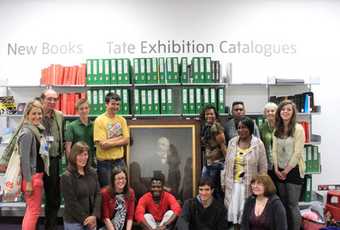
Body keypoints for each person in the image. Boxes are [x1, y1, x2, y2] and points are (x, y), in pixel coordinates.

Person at [221, 116, 267, 228]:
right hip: (233, 185)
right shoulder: (232, 142)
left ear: (251, 128)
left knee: (248, 215)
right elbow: (227, 164)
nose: (241, 130)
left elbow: (263, 167)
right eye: (239, 128)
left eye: (244, 127)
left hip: (250, 186)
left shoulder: (258, 144)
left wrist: (262, 186)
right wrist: (223, 182)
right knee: (235, 217)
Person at [272, 100, 305, 230]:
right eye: (283, 109)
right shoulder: (277, 129)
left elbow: (297, 153)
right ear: (279, 112)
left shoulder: (298, 129)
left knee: (292, 204)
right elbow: (273, 150)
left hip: (294, 170)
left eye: (289, 110)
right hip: (279, 170)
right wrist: (275, 168)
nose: (285, 112)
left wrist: (286, 171)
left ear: (293, 113)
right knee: (283, 203)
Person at [19, 100, 48, 229]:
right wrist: (29, 182)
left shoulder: (36, 130)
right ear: (27, 115)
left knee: (32, 210)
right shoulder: (27, 133)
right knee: (33, 212)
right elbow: (24, 160)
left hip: (37, 176)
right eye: (34, 114)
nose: (37, 116)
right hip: (32, 178)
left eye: (39, 113)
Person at [60, 141, 101, 230]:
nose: (83, 158)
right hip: (74, 222)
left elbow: (98, 195)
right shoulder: (66, 177)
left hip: (92, 219)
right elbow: (71, 203)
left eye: (85, 154)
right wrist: (87, 220)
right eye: (80, 155)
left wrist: (94, 215)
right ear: (74, 156)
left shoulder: (93, 172)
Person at [94, 92, 129, 187]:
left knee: (121, 189)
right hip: (104, 164)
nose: (115, 106)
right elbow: (103, 145)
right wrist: (119, 138)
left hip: (119, 161)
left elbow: (126, 140)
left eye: (118, 104)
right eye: (113, 104)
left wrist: (108, 141)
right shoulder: (99, 120)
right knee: (106, 191)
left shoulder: (122, 120)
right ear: (106, 104)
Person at [41, 88, 64, 230]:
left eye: (55, 99)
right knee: (35, 197)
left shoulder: (59, 115)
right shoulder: (36, 114)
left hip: (54, 160)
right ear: (43, 99)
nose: (52, 102)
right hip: (38, 161)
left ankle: (50, 227)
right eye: (49, 98)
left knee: (54, 197)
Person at [200, 105, 227, 200]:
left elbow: (223, 145)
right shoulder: (205, 127)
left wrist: (227, 161)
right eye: (207, 114)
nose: (209, 116)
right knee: (206, 189)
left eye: (211, 114)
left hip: (217, 163)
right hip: (208, 163)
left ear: (215, 115)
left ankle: (219, 212)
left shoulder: (216, 126)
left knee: (215, 190)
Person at [65, 98, 96, 167]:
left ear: (89, 109)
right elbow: (68, 148)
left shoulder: (94, 125)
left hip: (90, 162)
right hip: (76, 162)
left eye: (86, 108)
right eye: (81, 109)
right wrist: (71, 163)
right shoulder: (71, 126)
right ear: (77, 111)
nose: (84, 111)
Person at [259, 102, 278, 181]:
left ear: (277, 112)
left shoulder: (281, 126)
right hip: (268, 163)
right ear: (265, 114)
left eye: (272, 111)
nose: (270, 113)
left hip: (281, 163)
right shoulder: (262, 127)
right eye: (268, 111)